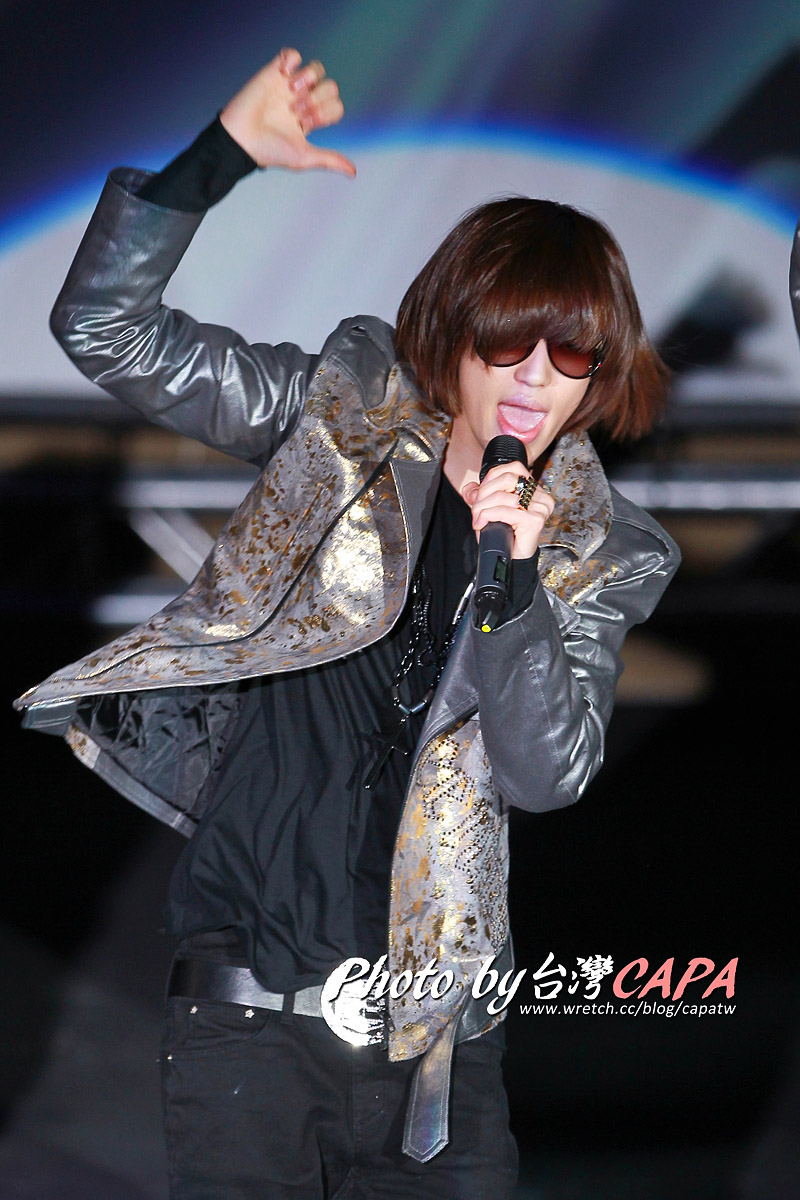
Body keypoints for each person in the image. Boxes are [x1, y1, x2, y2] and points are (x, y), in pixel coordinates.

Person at [16, 49, 680, 1200]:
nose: (534, 378)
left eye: (569, 352)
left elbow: (546, 772)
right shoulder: (340, 415)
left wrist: (515, 587)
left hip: (437, 1055)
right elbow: (106, 330)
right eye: (506, 341)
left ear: (598, 373)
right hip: (250, 1029)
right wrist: (216, 160)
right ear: (452, 331)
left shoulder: (602, 548)